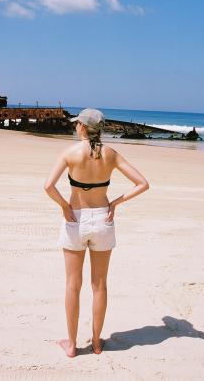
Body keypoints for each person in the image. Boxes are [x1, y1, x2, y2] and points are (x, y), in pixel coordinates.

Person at [43, 108, 149, 357]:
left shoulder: (70, 153)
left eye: (76, 123)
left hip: (75, 219)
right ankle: (97, 343)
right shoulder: (110, 154)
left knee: (73, 284)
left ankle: (71, 345)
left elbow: (48, 186)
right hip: (103, 219)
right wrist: (115, 203)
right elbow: (143, 183)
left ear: (81, 126)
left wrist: (64, 206)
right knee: (99, 285)